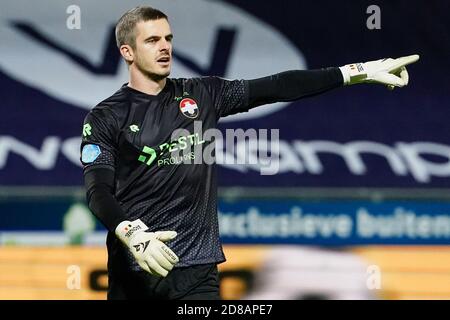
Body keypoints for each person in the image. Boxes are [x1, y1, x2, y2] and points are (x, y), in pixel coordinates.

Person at [80, 6, 419, 300]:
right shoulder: (106, 116)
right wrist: (131, 233)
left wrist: (354, 73)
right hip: (135, 267)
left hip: (197, 270)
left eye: (168, 38)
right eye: (152, 41)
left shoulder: (202, 94)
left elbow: (276, 86)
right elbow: (97, 192)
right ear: (127, 52)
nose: (165, 47)